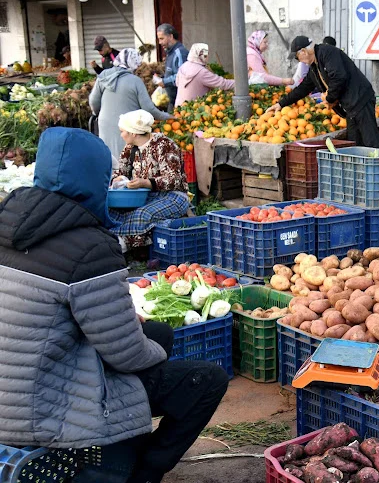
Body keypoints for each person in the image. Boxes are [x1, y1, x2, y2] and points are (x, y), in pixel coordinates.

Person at [0, 127, 228, 483]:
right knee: (205, 379)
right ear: (95, 181)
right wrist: (155, 354)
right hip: (42, 409)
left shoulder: (9, 225)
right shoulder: (89, 247)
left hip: (14, 386)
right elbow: (126, 355)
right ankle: (142, 473)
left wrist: (144, 336)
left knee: (156, 331)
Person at [273, 35, 379, 148]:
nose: (298, 61)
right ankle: (362, 164)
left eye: (297, 57)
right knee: (354, 144)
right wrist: (281, 103)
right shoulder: (315, 67)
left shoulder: (327, 53)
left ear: (304, 52)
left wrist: (329, 98)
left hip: (360, 100)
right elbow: (303, 88)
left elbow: (339, 77)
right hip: (350, 107)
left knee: (371, 141)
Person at [109, 110, 191, 255]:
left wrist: (146, 183)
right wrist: (117, 179)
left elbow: (174, 179)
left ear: (133, 133)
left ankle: (121, 247)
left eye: (123, 131)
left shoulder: (164, 145)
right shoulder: (130, 149)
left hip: (172, 196)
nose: (121, 135)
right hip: (144, 196)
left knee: (142, 214)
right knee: (112, 212)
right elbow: (121, 171)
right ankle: (120, 243)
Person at [89, 48, 173, 160]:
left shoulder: (103, 77)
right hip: (128, 126)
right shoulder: (135, 81)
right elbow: (149, 109)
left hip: (105, 123)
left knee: (109, 157)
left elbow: (93, 101)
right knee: (125, 158)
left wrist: (99, 113)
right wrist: (167, 116)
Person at [154, 23, 189, 110]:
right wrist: (161, 78)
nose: (160, 42)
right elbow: (173, 72)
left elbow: (182, 76)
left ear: (170, 36)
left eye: (162, 39)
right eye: (159, 39)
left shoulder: (180, 53)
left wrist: (165, 82)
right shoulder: (170, 53)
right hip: (172, 101)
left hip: (180, 103)